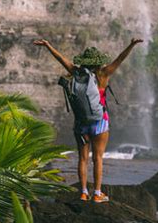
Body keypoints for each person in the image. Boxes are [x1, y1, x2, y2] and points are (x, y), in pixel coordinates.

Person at [33, 38, 143, 202]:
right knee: (98, 158)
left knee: (82, 159)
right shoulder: (104, 74)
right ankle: (97, 194)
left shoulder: (76, 73)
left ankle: (84, 192)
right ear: (99, 62)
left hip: (81, 124)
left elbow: (61, 59)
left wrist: (48, 45)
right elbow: (120, 59)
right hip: (100, 122)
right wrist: (131, 45)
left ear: (84, 62)